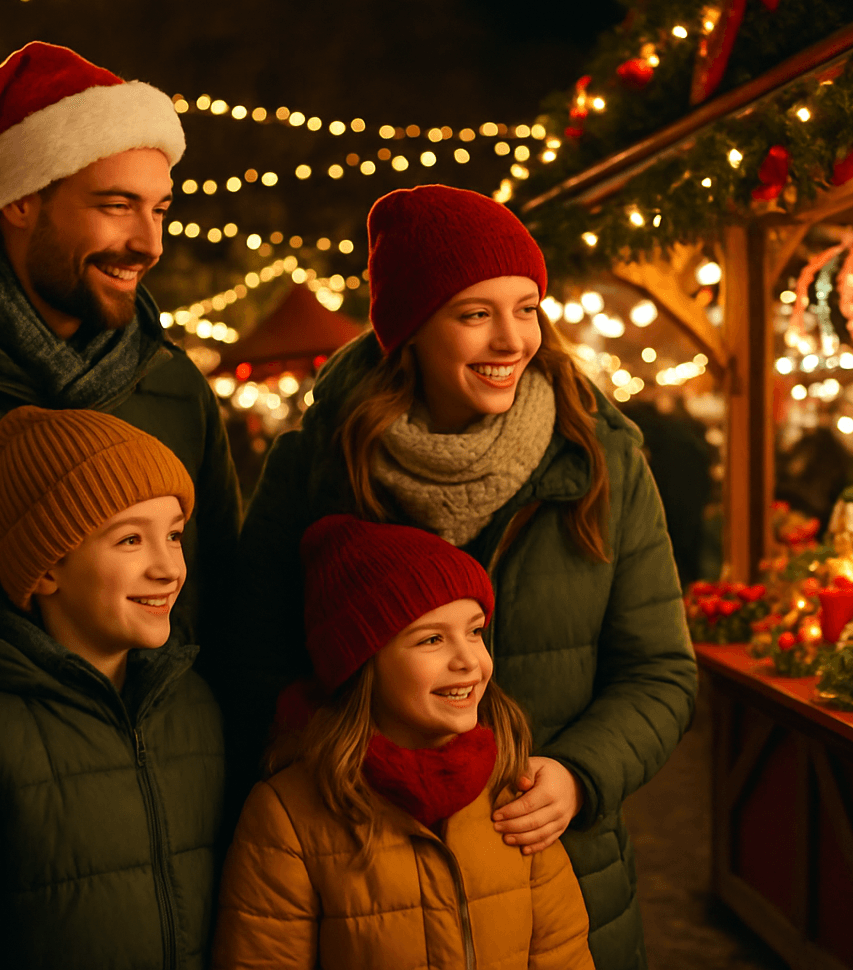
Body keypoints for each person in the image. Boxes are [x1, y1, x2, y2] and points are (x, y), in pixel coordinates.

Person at [234, 184, 697, 970]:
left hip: (556, 871)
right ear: (410, 329)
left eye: (526, 308)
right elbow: (253, 656)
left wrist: (581, 775)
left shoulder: (600, 460)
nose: (511, 338)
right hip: (370, 886)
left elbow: (661, 671)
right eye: (475, 313)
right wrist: (339, 767)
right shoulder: (321, 466)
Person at [0, 41, 241, 738]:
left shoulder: (172, 387)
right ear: (21, 201)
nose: (149, 243)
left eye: (161, 210)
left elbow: (225, 608)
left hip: (138, 797)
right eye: (117, 206)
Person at [0, 406, 225, 969]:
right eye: (129, 541)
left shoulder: (193, 705)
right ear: (45, 568)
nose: (169, 567)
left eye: (173, 536)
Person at [213, 514, 595, 970]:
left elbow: (563, 954)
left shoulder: (515, 793)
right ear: (362, 664)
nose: (468, 661)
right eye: (431, 639)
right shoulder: (287, 818)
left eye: (474, 631)